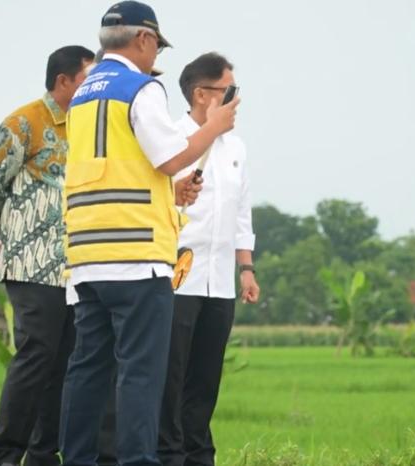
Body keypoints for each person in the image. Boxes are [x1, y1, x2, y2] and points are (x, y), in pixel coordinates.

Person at [57, 2, 239, 465]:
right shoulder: (140, 88)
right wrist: (214, 127)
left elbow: (117, 165)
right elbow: (171, 156)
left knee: (87, 368)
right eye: (156, 44)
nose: (155, 54)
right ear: (143, 39)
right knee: (141, 371)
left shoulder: (83, 92)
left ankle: (76, 459)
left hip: (86, 252)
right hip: (135, 252)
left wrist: (170, 195)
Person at [0, 45, 95, 466]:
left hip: (76, 265)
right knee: (35, 357)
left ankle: (44, 456)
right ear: (63, 81)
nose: (92, 86)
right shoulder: (23, 123)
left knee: (64, 360)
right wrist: (2, 239)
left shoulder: (89, 125)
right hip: (30, 264)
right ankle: (5, 456)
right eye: (86, 78)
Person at [158, 52, 259, 466]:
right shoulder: (170, 139)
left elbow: (242, 211)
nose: (236, 100)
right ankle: (167, 454)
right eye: (229, 91)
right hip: (177, 275)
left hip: (219, 279)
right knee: (171, 372)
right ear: (202, 95)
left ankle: (199, 454)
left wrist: (246, 267)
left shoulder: (235, 147)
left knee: (206, 374)